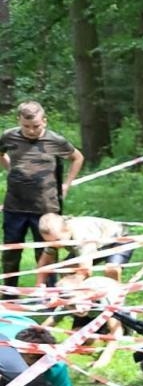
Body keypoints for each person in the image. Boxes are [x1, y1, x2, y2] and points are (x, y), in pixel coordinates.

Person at [1, 104, 83, 290]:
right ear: (19, 122)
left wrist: (67, 184)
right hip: (15, 206)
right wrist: (10, 168)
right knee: (10, 253)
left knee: (47, 251)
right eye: (26, 126)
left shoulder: (55, 140)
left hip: (46, 208)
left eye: (36, 126)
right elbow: (1, 153)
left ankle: (49, 292)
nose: (31, 130)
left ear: (44, 121)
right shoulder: (9, 136)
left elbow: (77, 158)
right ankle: (9, 293)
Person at [37, 214, 135, 282]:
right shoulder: (56, 235)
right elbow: (45, 261)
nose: (55, 245)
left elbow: (86, 268)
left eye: (58, 240)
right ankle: (78, 304)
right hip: (98, 244)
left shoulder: (81, 236)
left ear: (67, 230)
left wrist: (75, 282)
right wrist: (39, 285)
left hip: (118, 239)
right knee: (66, 269)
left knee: (111, 269)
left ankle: (115, 303)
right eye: (51, 242)